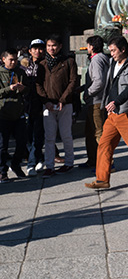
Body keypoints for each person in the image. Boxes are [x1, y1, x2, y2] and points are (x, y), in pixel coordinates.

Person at [85, 35, 128, 190]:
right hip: (113, 113)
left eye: (114, 50)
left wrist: (117, 101)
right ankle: (102, 179)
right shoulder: (112, 63)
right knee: (104, 145)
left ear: (123, 49)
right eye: (110, 50)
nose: (111, 53)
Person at [36, 35, 78, 177]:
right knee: (49, 137)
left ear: (60, 46)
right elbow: (38, 84)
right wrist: (45, 101)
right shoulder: (42, 64)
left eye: (53, 45)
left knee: (66, 135)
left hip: (65, 105)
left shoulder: (68, 62)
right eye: (48, 46)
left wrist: (63, 99)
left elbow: (73, 81)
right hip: (48, 105)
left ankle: (69, 163)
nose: (51, 48)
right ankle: (49, 166)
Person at [80, 35, 110, 169]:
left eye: (88, 45)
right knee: (90, 132)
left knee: (98, 133)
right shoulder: (103, 58)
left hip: (96, 101)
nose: (87, 48)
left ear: (92, 47)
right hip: (97, 100)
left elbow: (98, 82)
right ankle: (93, 159)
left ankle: (107, 162)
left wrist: (87, 93)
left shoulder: (97, 60)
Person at [0, 49, 29, 182]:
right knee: (2, 146)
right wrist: (9, 88)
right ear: (3, 59)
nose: (13, 62)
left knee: (22, 142)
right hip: (3, 114)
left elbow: (29, 89)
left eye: (15, 60)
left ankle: (16, 165)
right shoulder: (1, 74)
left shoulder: (20, 72)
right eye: (10, 60)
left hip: (19, 113)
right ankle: (2, 171)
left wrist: (24, 89)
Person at [24, 38, 46, 175]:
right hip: (26, 104)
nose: (38, 51)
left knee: (38, 134)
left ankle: (32, 163)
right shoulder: (24, 65)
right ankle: (38, 158)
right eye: (35, 49)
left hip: (40, 103)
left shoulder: (46, 64)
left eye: (40, 48)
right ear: (30, 50)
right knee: (27, 135)